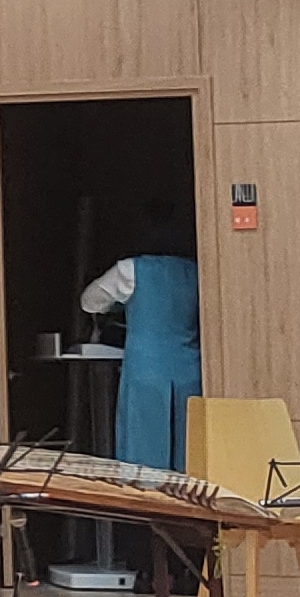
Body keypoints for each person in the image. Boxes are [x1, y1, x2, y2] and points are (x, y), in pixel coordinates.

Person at [83, 201, 201, 470]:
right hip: (189, 369)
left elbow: (89, 301)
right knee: (189, 450)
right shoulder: (196, 269)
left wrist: (115, 308)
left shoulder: (131, 269)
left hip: (145, 369)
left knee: (144, 451)